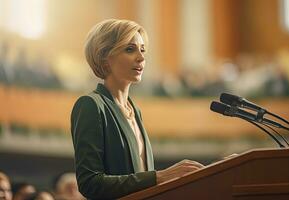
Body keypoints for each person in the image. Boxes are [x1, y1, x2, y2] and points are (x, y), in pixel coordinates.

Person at [71, 19, 204, 199]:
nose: (141, 57)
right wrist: (160, 176)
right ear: (105, 58)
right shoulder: (91, 105)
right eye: (130, 49)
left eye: (142, 50)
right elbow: (90, 183)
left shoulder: (135, 110)